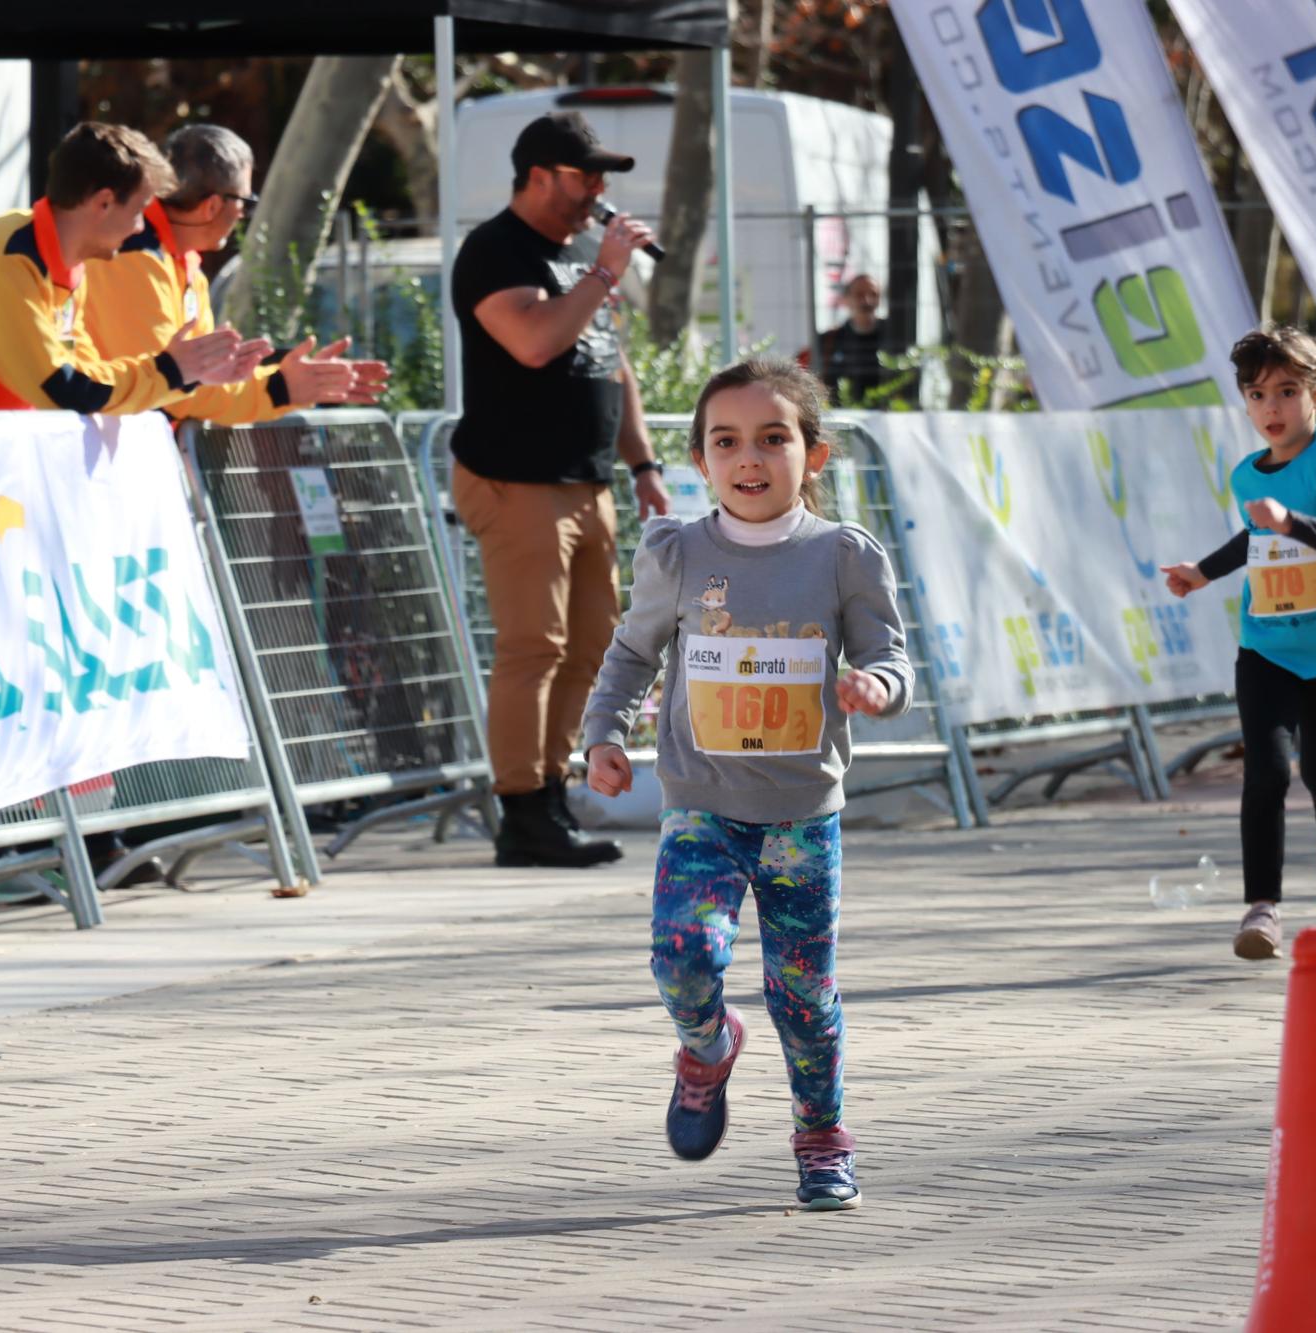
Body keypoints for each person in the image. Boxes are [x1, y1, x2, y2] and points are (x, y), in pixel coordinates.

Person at [582, 358, 912, 1211]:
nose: (750, 458)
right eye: (727, 442)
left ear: (816, 454)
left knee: (803, 993)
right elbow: (630, 654)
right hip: (703, 811)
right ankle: (707, 1045)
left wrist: (877, 687)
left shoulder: (843, 557)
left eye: (774, 438)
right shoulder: (679, 553)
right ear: (700, 459)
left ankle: (822, 1134)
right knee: (683, 958)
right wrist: (604, 736)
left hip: (803, 818)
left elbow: (888, 654)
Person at [451, 110, 668, 867]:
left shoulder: (579, 253)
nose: (599, 192)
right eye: (587, 176)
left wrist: (643, 465)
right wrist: (607, 271)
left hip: (586, 480)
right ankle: (521, 809)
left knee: (591, 649)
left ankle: (552, 792)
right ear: (539, 174)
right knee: (532, 647)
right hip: (517, 478)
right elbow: (536, 341)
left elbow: (611, 363)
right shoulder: (493, 250)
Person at [1160, 327, 1316, 962]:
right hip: (1267, 648)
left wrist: (1293, 523)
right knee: (1268, 773)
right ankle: (1263, 908)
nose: (1271, 408)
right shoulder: (1247, 473)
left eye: (1286, 391)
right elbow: (1255, 540)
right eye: (1257, 395)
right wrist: (1201, 572)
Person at [0, 122, 267, 416]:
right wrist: (173, 371)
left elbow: (89, 377)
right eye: (139, 211)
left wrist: (183, 375)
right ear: (102, 203)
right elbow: (66, 390)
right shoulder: (6, 259)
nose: (140, 228)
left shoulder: (65, 267)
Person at [84, 123, 389, 421]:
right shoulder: (132, 257)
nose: (243, 214)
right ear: (213, 206)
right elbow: (169, 385)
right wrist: (279, 388)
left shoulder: (179, 261)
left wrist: (277, 383)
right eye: (245, 200)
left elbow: (190, 381)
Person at [816, 273, 890, 406]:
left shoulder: (893, 336)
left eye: (873, 294)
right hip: (840, 417)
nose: (867, 300)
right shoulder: (829, 340)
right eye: (859, 295)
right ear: (846, 299)